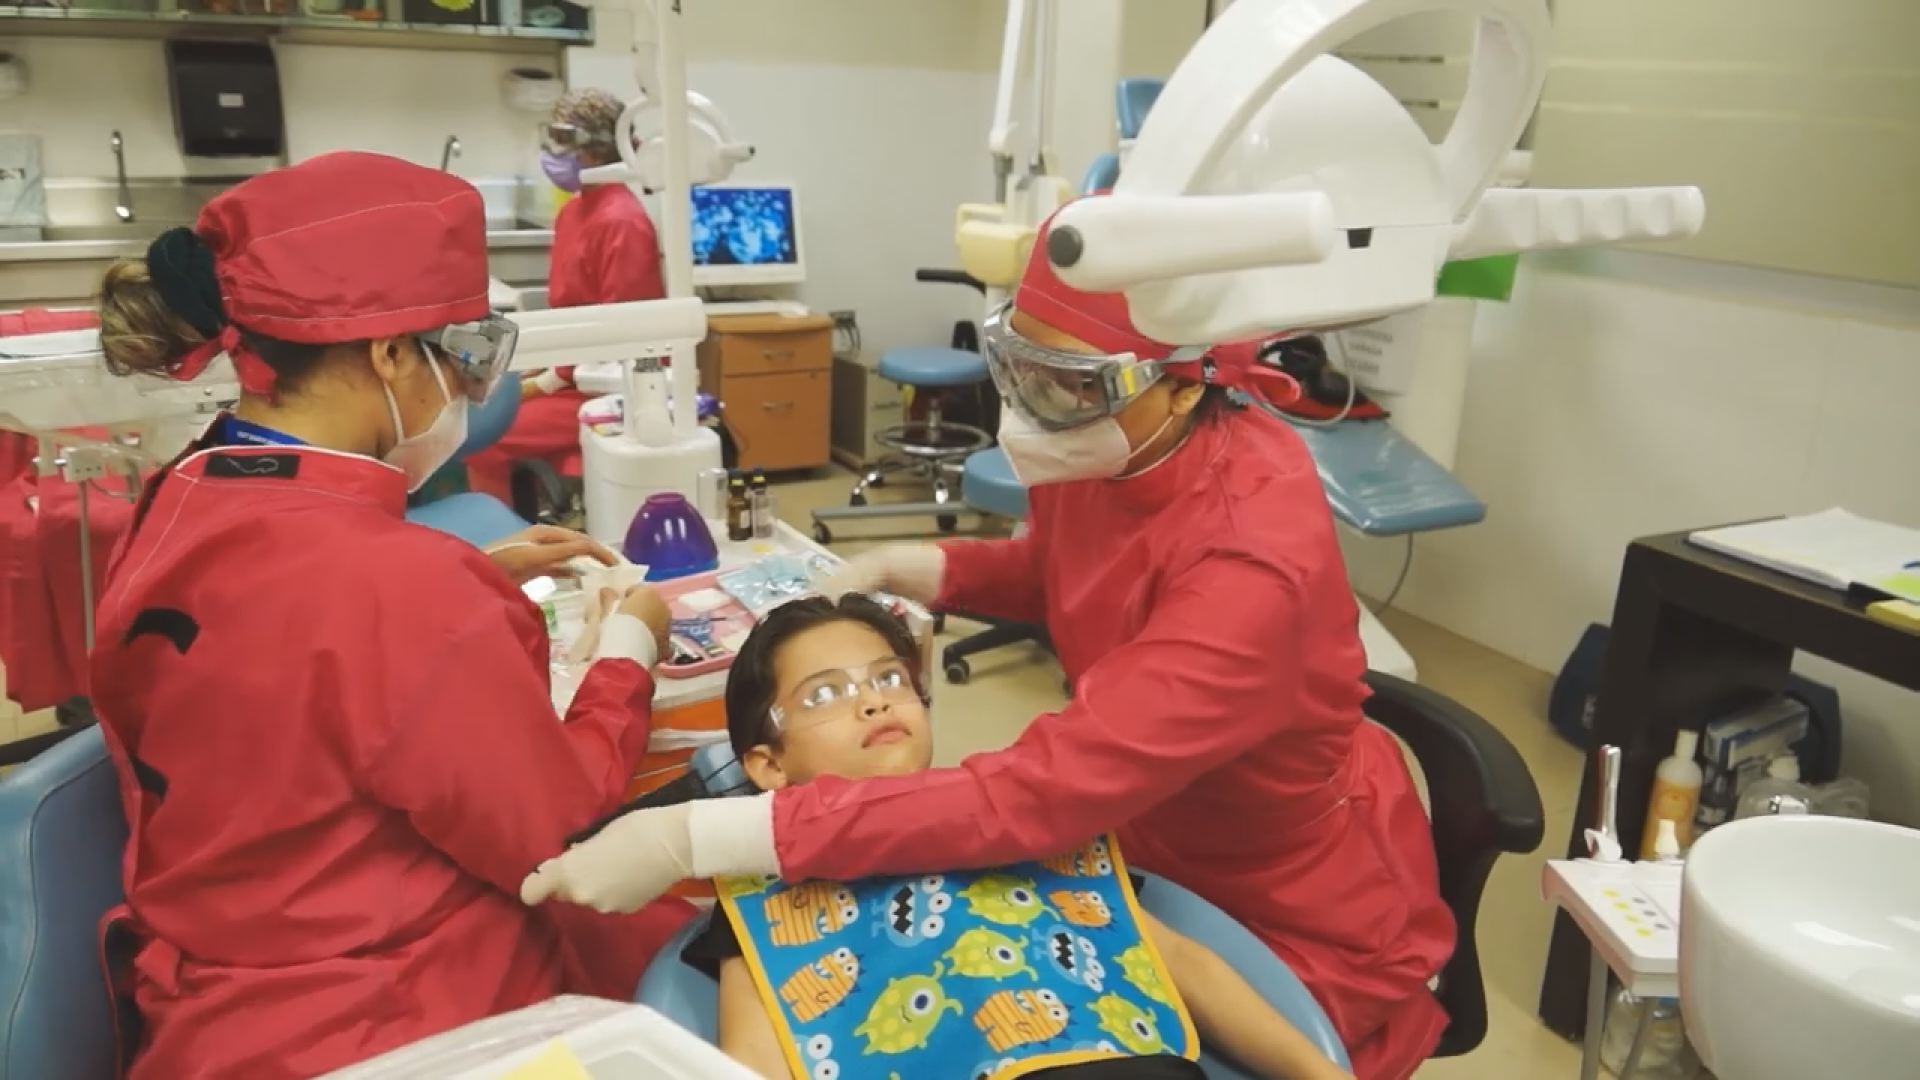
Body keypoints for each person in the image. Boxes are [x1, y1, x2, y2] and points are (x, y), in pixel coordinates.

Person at [523, 216, 1455, 1080]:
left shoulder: (1251, 566)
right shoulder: (1113, 442)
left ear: (1183, 378)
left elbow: (1047, 801)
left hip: (1276, 893)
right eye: (1022, 368)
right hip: (1139, 830)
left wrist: (698, 833)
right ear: (764, 761)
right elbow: (1076, 571)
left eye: (887, 677)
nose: (1032, 410)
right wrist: (918, 566)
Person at [88, 151, 692, 1079]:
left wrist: (469, 576)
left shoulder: (185, 495)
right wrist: (627, 647)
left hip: (210, 1002)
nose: (471, 389)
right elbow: (558, 836)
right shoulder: (400, 587)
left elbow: (280, 640)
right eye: (466, 357)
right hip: (381, 1019)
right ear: (390, 355)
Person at [681, 594, 1353, 1080]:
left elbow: (1179, 963)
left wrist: (1317, 1074)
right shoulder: (767, 896)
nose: (875, 700)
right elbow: (756, 1056)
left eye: (890, 678)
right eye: (825, 695)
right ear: (769, 765)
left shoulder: (1019, 811)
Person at [464, 88, 666, 504]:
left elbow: (623, 336)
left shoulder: (623, 222)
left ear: (594, 149)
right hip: (572, 369)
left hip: (607, 386)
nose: (554, 153)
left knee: (480, 433)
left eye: (563, 141)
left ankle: (506, 547)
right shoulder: (575, 211)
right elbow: (569, 313)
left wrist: (548, 381)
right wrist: (528, 368)